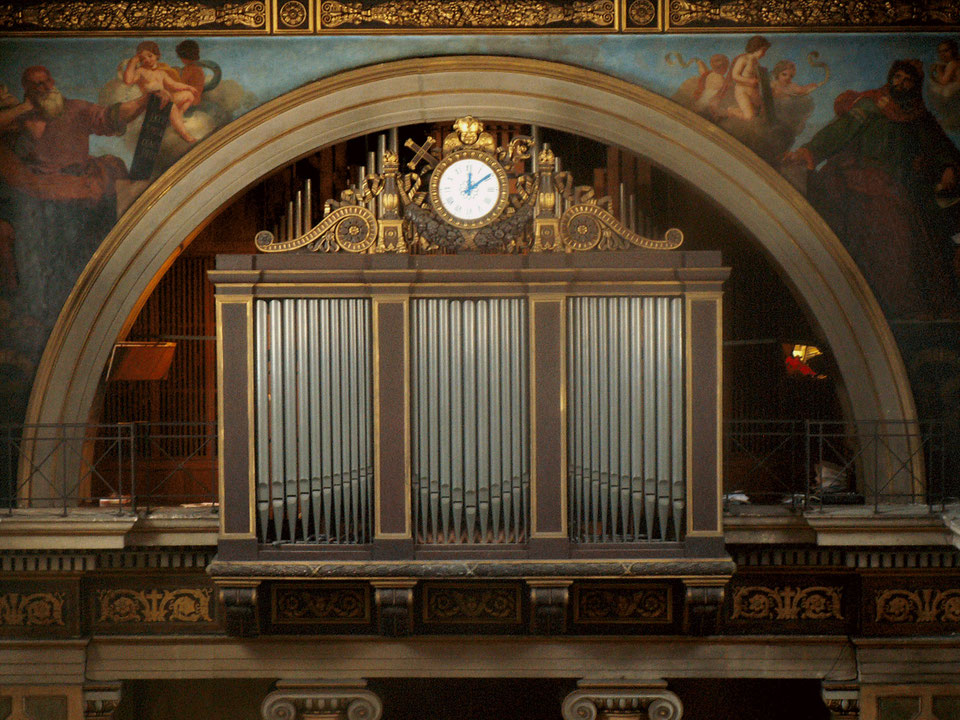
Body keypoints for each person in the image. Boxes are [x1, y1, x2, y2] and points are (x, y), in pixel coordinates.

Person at [783, 59, 960, 318]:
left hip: (905, 187)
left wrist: (948, 166)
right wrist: (811, 149)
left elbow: (939, 144)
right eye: (897, 77)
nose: (900, 83)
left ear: (914, 86)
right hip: (866, 182)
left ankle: (908, 306)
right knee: (889, 235)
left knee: (920, 242)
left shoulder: (919, 116)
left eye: (907, 80)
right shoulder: (872, 105)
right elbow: (841, 130)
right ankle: (889, 305)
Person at [123, 41, 199, 143]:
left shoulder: (161, 72)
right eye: (142, 59)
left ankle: (178, 117)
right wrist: (132, 62)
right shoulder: (140, 71)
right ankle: (186, 135)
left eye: (150, 56)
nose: (147, 60)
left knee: (189, 96)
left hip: (165, 99)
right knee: (171, 106)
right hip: (152, 102)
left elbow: (173, 85)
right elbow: (128, 81)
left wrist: (188, 87)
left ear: (157, 55)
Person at [725, 35, 771, 121]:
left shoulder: (757, 64)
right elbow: (734, 76)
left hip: (753, 92)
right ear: (756, 48)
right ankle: (732, 110)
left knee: (762, 114)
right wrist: (749, 80)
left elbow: (759, 80)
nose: (764, 54)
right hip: (742, 91)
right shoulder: (743, 59)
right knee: (749, 117)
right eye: (763, 51)